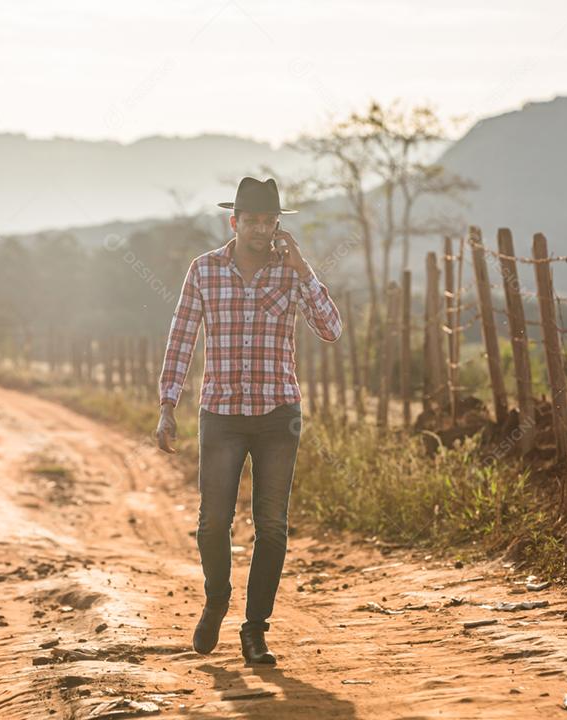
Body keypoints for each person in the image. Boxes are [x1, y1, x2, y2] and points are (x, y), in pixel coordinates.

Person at [154, 176, 342, 665]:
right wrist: (167, 405)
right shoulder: (204, 270)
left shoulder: (291, 272)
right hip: (221, 414)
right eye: (252, 220)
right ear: (233, 222)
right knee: (213, 521)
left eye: (269, 220)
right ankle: (217, 598)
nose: (261, 229)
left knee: (272, 526)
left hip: (279, 414)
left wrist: (304, 269)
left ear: (278, 224)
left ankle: (255, 630)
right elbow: (181, 337)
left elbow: (331, 329)